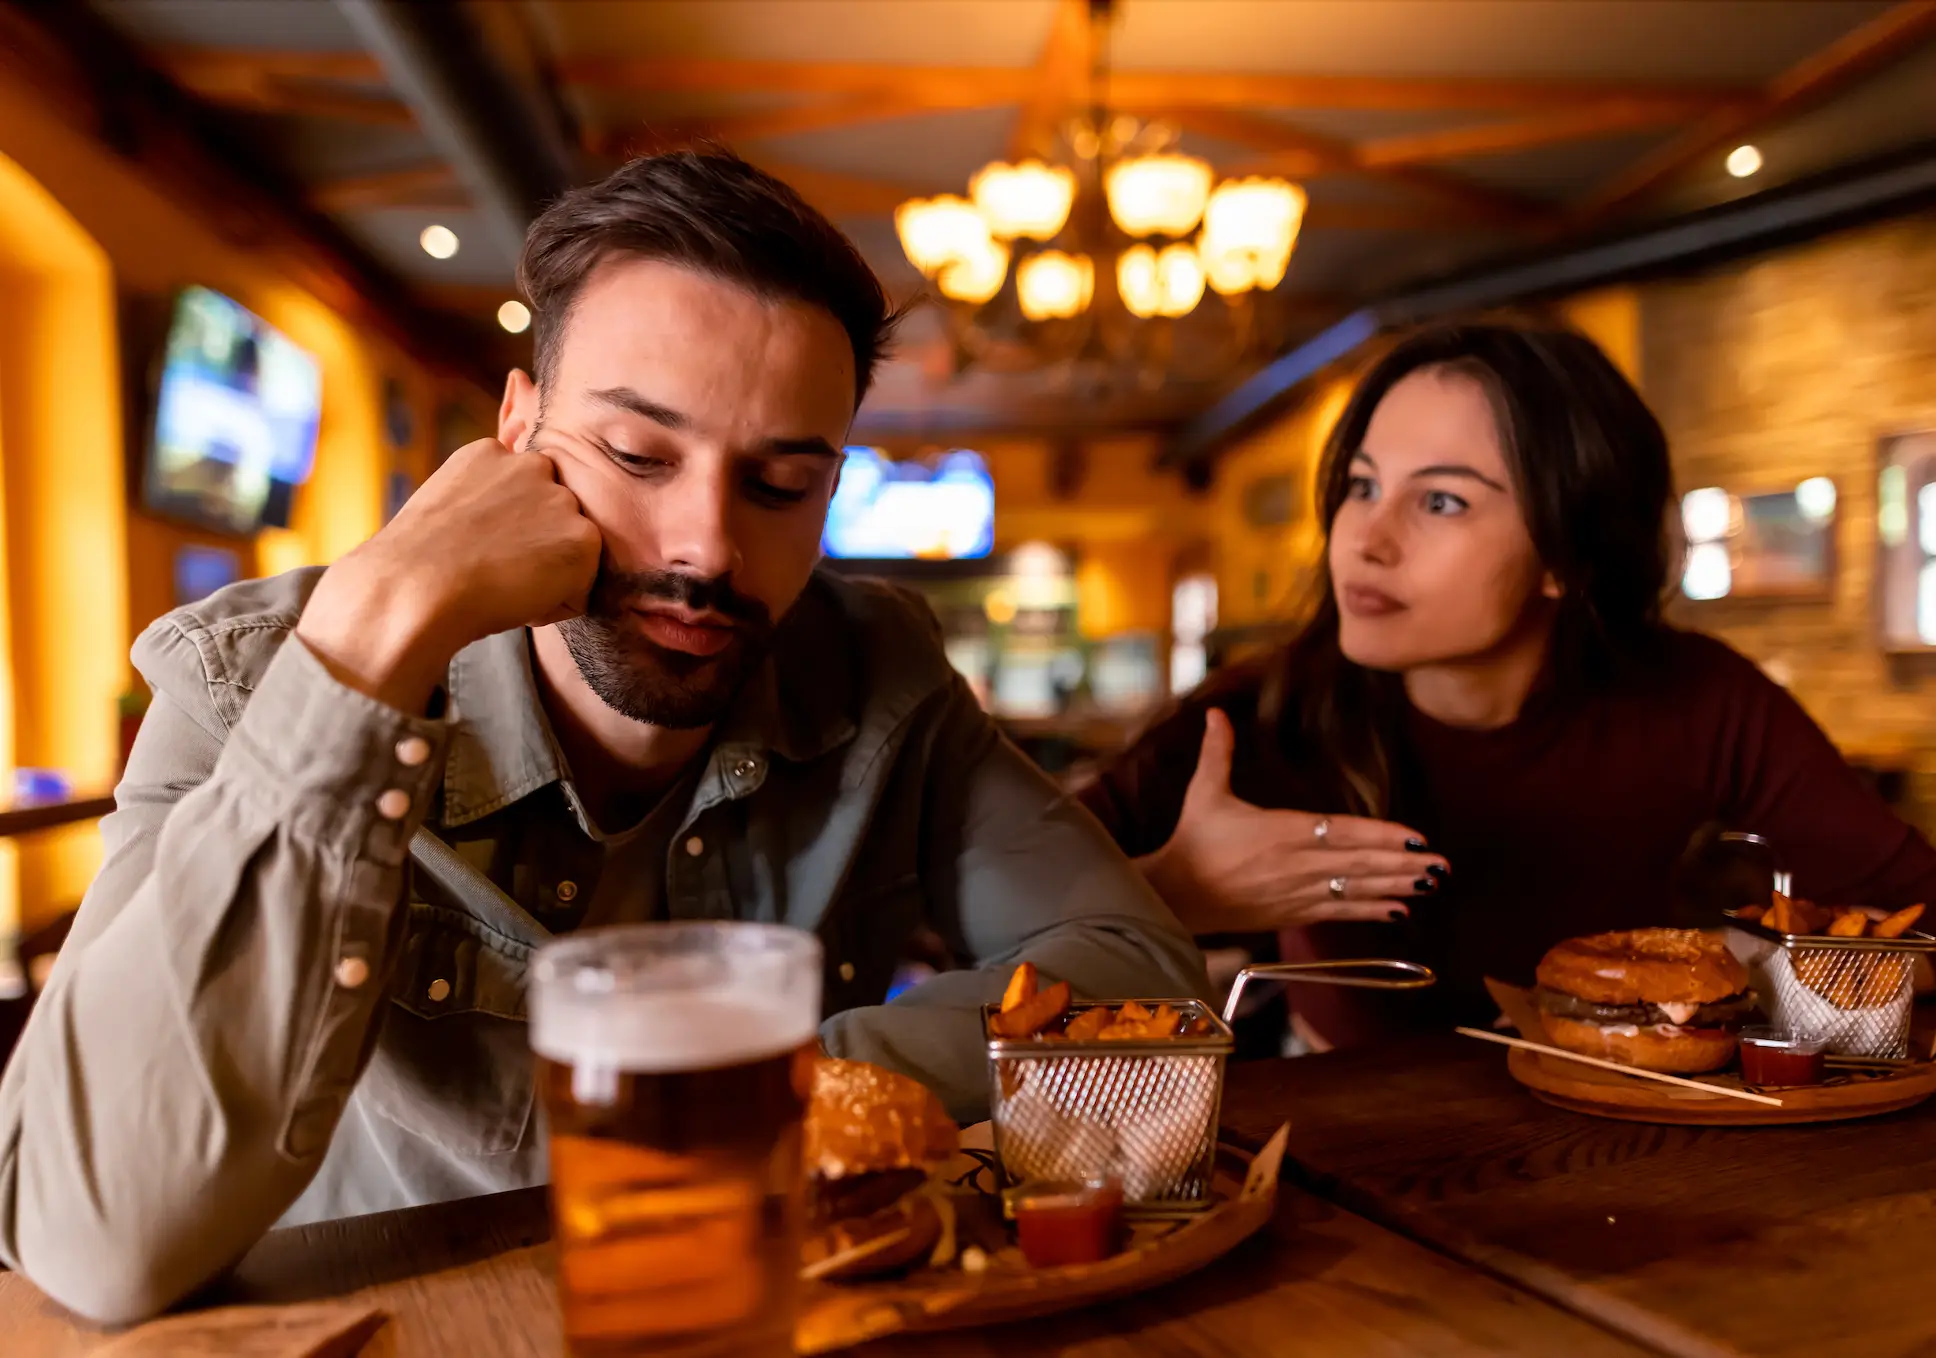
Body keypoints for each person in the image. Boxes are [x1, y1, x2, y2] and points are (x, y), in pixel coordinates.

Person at [0, 152, 1208, 1324]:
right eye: (637, 455)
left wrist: (778, 1087)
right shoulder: (247, 677)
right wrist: (370, 641)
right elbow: (95, 1238)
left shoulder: (875, 668)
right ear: (518, 427)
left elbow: (1136, 972)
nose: (704, 548)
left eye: (780, 485)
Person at [1077, 320, 1936, 1051]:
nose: (1365, 541)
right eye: (1362, 486)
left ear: (1567, 552)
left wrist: (1743, 957)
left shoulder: (1693, 695)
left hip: (1613, 1130)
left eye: (1441, 502)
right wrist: (1171, 894)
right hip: (1336, 1132)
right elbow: (963, 931)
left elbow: (1918, 913)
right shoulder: (1261, 714)